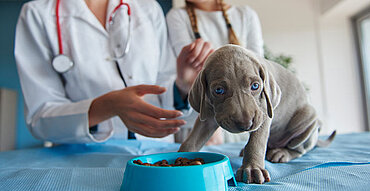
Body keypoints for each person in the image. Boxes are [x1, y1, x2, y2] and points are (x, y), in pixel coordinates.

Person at [14, 0, 200, 144]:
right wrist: (107, 106)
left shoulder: (148, 8)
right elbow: (41, 117)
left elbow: (163, 86)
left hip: (156, 151)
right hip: (82, 158)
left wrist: (182, 87)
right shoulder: (36, 14)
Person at [166, 0, 264, 143]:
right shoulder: (177, 16)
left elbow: (258, 69)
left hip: (244, 121)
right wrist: (212, 124)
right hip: (200, 124)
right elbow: (191, 74)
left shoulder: (245, 15)